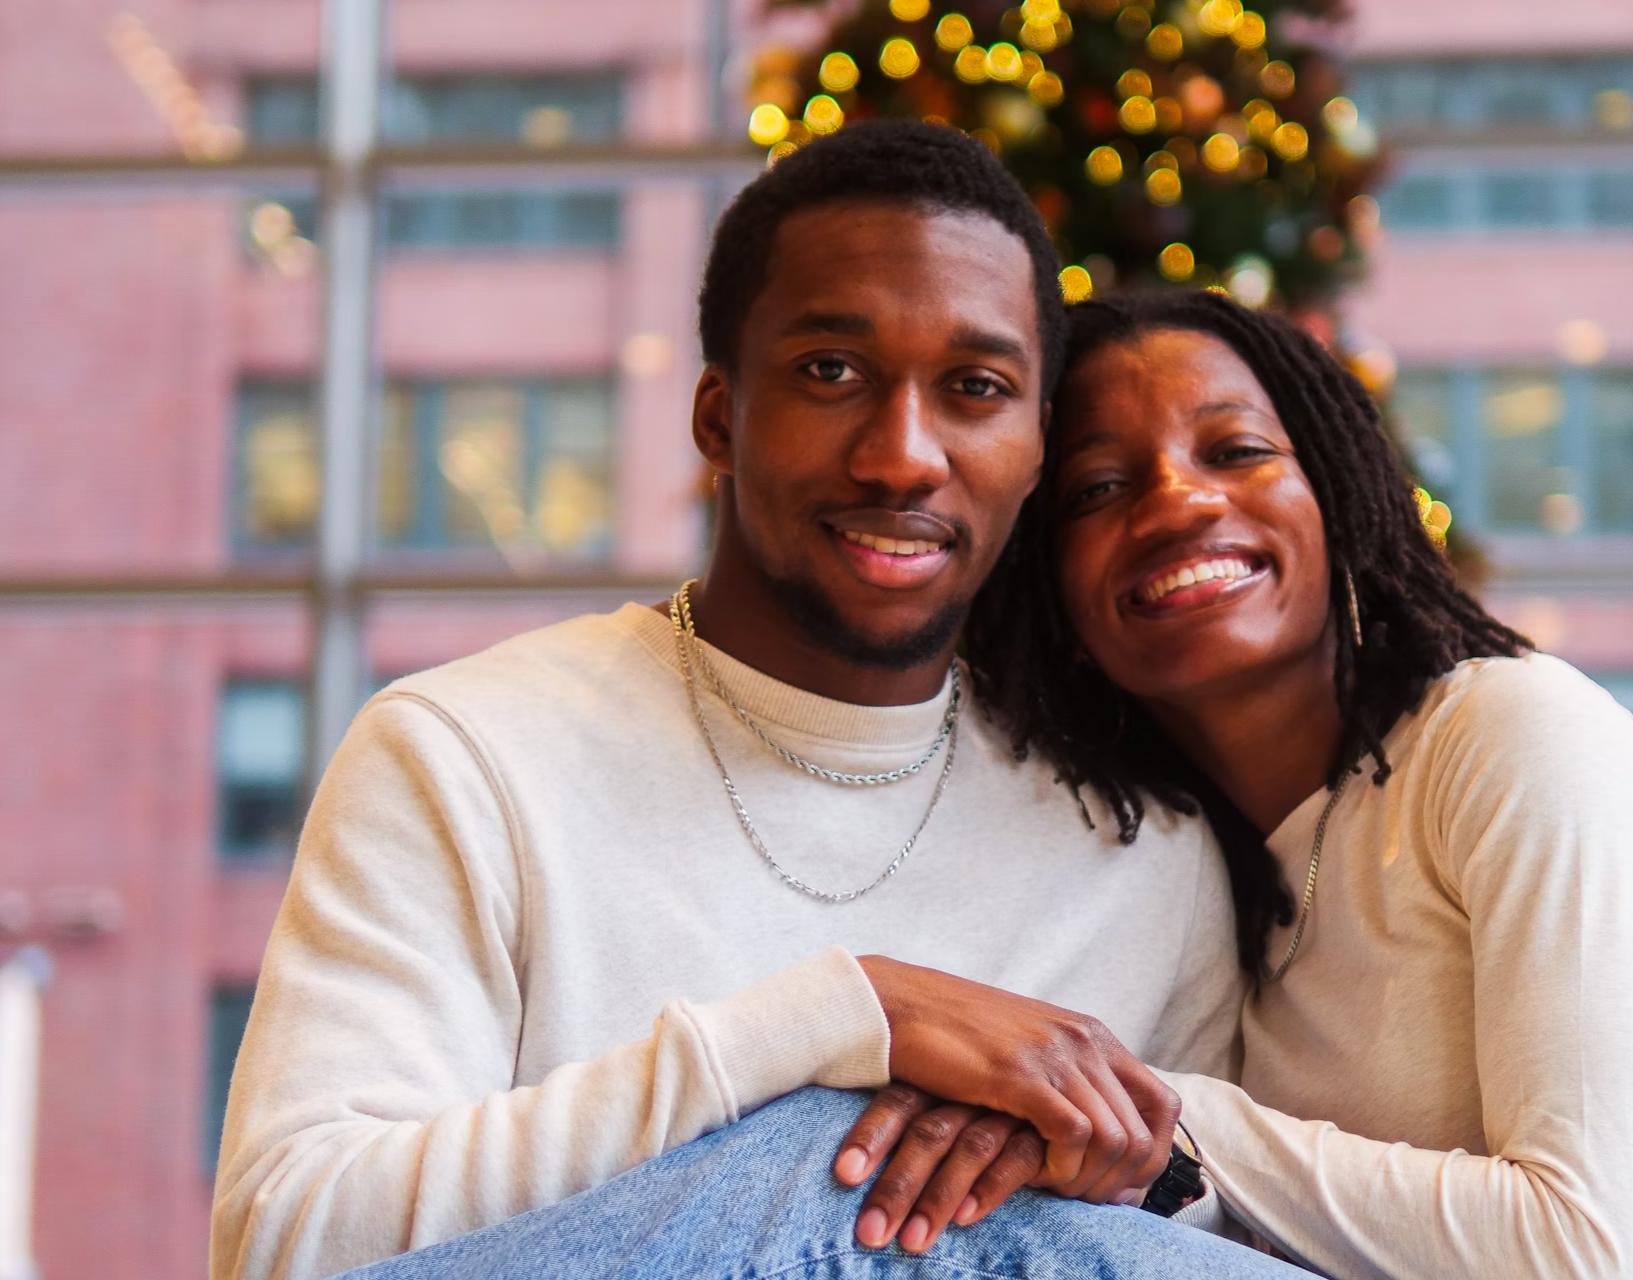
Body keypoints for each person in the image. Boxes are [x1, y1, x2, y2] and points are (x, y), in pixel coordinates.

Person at [210, 125, 1284, 1280]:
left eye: (975, 389)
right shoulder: (467, 752)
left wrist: (1111, 1175)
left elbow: (1199, 1235)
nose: (901, 455)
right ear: (719, 417)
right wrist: (832, 1022)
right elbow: (289, 1237)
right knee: (805, 1155)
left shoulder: (1141, 850)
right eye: (832, 371)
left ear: (1032, 449)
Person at [836, 290, 1633, 1278]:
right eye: (1098, 489)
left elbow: (1577, 1250)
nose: (1179, 501)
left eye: (1235, 451)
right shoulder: (1197, 879)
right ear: (1052, 595)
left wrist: (1146, 1110)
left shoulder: (1515, 733)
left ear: (1333, 489)